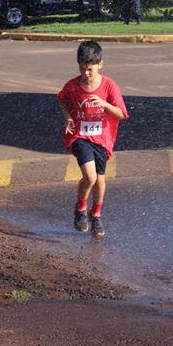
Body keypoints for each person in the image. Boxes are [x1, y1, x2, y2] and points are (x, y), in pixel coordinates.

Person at [57, 40, 129, 238]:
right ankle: (80, 209)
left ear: (100, 64)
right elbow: (62, 100)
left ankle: (95, 215)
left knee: (100, 182)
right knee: (90, 177)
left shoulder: (109, 86)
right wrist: (67, 116)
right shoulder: (72, 86)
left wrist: (104, 104)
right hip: (80, 136)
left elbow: (122, 113)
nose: (86, 73)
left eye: (90, 69)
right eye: (82, 68)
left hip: (102, 138)